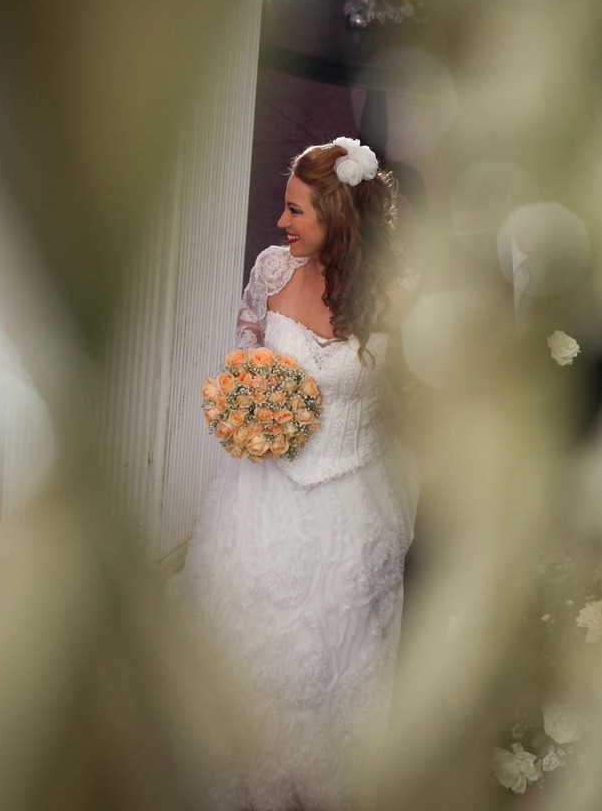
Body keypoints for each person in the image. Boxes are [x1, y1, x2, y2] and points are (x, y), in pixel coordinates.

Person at [172, 138, 418, 810]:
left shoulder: (396, 297)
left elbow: (417, 401)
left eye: (296, 211)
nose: (282, 224)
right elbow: (245, 346)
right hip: (260, 494)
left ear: (337, 217)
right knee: (246, 638)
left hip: (349, 500)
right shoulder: (273, 270)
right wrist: (249, 405)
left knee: (324, 664)